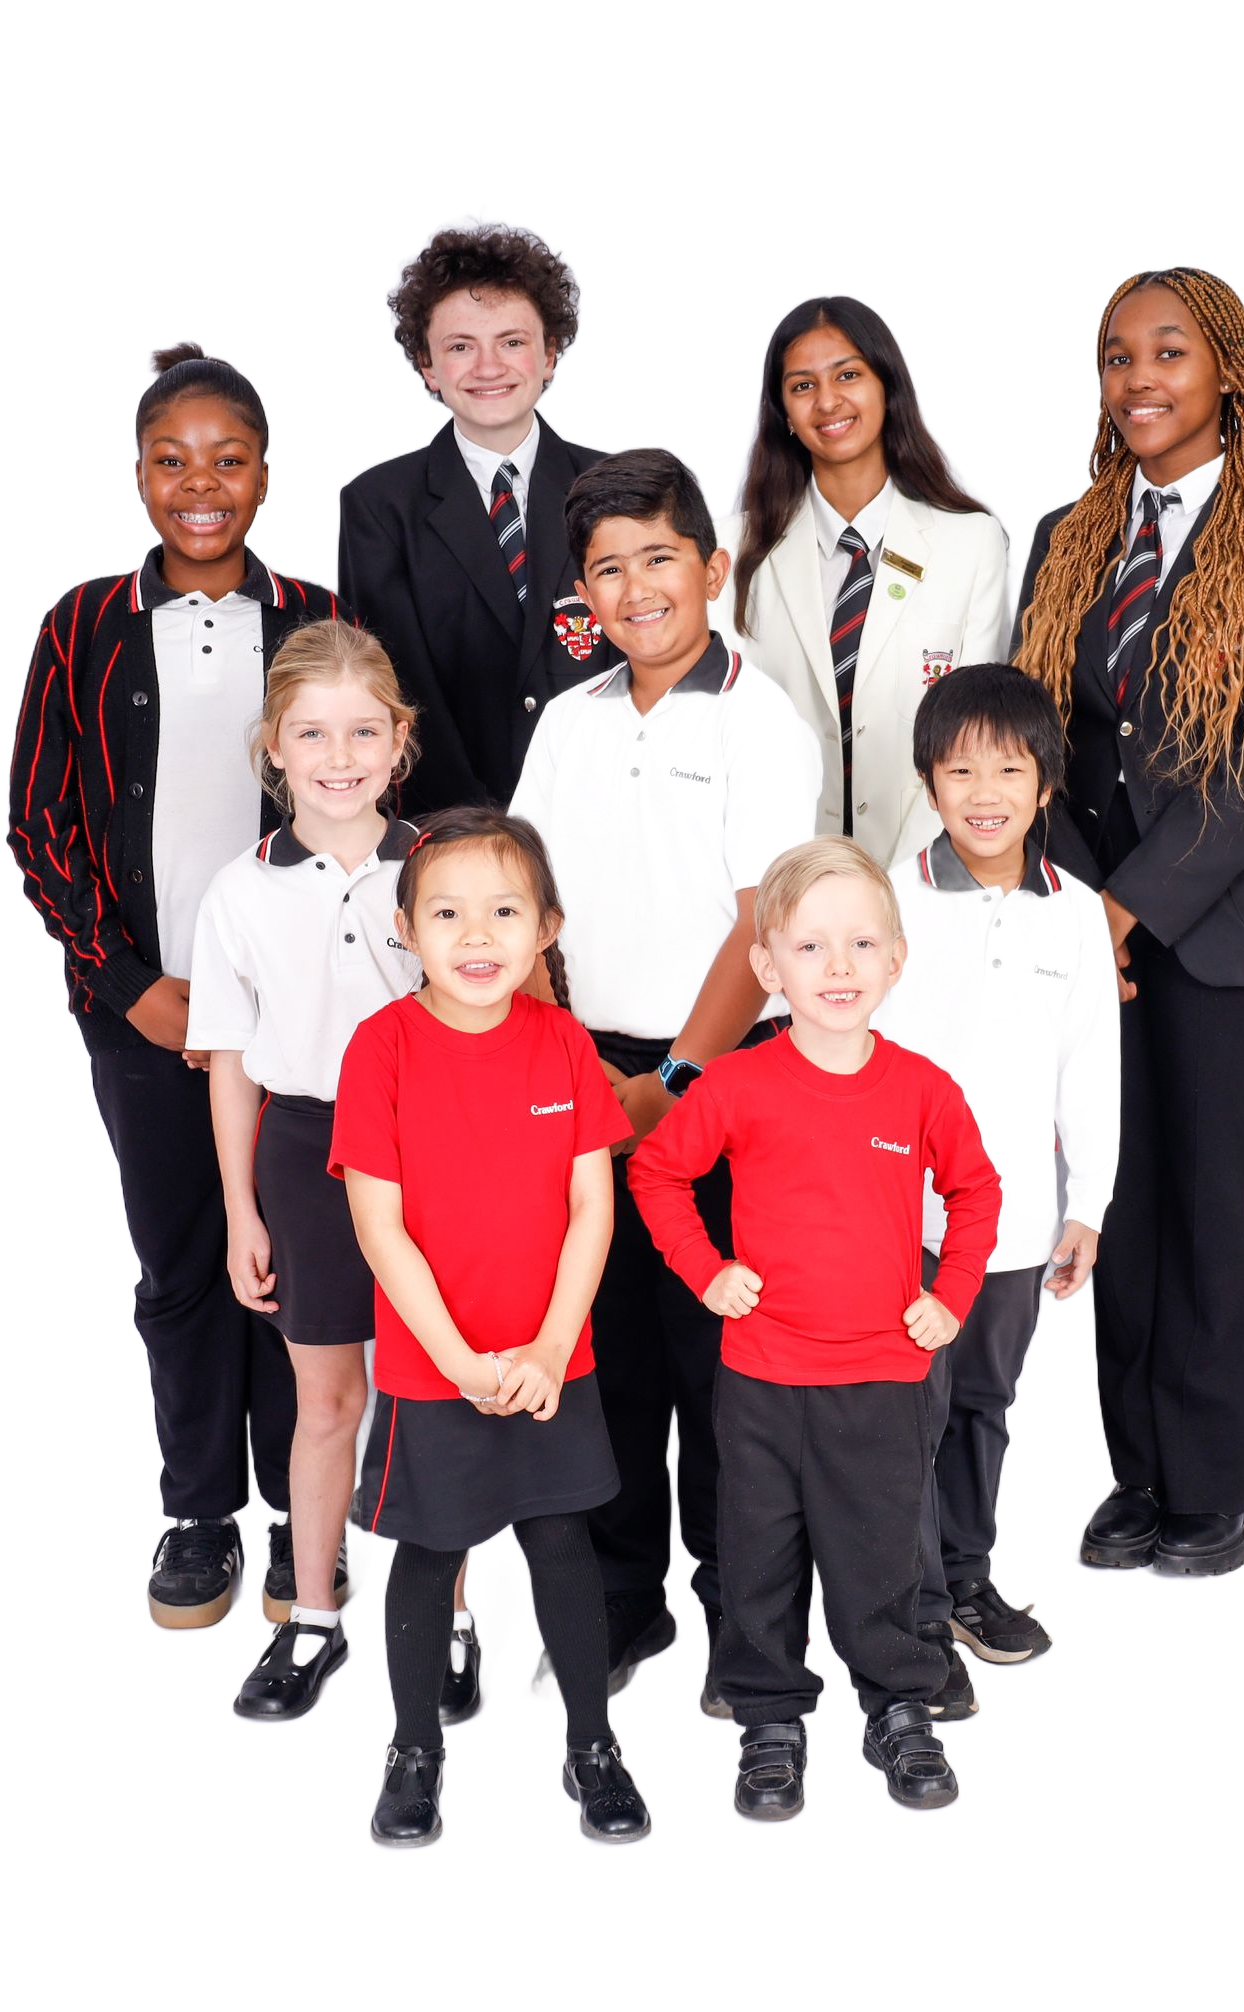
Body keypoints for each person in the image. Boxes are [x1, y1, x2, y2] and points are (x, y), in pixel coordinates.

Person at [1011, 264, 1244, 1581]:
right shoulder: (1068, 533)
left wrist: (1123, 911)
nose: (1139, 378)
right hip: (1094, 919)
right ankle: (1139, 1474)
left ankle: (1216, 1490)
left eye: (1168, 351)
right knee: (1120, 1194)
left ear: (1225, 369)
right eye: (1117, 356)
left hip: (1236, 936)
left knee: (1219, 1203)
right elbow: (1036, 736)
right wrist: (1076, 904)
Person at [4, 337, 345, 1632]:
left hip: (298, 1011)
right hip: (143, 1014)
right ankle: (199, 1510)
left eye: (229, 459)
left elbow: (371, 800)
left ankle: (299, 1504)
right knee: (182, 1261)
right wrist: (132, 983)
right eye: (171, 461)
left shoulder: (320, 614)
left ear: (266, 472)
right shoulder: (81, 622)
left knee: (294, 1258)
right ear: (139, 472)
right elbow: (38, 825)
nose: (201, 485)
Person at [510, 448, 820, 1717]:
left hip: (724, 1073)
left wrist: (675, 1079)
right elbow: (524, 910)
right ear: (582, 592)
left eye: (658, 559)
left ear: (711, 565)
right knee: (609, 1347)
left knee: (724, 1362)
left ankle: (750, 1621)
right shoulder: (568, 721)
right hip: (584, 1066)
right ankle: (626, 1594)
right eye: (607, 569)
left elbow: (764, 923)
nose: (636, 588)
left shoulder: (757, 717)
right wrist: (581, 1068)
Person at [629, 837, 1001, 1825]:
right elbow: (656, 1171)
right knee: (759, 1556)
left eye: (861, 943)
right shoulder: (736, 1084)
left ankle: (900, 1706)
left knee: (881, 1555)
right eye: (810, 946)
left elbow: (976, 1191)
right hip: (761, 1378)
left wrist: (953, 1293)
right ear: (767, 965)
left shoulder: (922, 1088)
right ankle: (768, 1719)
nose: (838, 966)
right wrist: (707, 1270)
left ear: (895, 958)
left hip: (884, 1377)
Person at [331, 808, 655, 1853]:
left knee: (562, 1544)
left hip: (553, 1359)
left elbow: (594, 1206)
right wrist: (460, 1361)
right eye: (448, 914)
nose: (477, 935)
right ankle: (414, 1750)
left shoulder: (563, 1043)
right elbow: (379, 1225)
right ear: (405, 929)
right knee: (428, 1556)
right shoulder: (381, 1048)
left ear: (547, 927)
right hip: (436, 1366)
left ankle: (593, 1745)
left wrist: (552, 1347)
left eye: (505, 912)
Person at [188, 621, 432, 1723]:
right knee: (328, 1398)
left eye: (365, 732)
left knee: (436, 1397)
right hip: (305, 1154)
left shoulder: (439, 869)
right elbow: (231, 1064)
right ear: (274, 746)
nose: (341, 757)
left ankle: (454, 1618)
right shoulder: (240, 892)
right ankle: (316, 1618)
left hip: (432, 1154)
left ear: (400, 740)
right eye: (314, 733)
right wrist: (242, 1209)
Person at [873, 664, 1117, 1712]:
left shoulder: (1076, 916)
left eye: (1009, 769)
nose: (984, 792)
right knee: (907, 1411)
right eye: (960, 769)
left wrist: (1086, 1205)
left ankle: (969, 1578)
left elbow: (1090, 1068)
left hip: (1018, 1214)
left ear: (1046, 783)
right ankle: (912, 1607)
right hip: (905, 1215)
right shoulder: (889, 897)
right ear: (929, 781)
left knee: (983, 1403)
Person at [713, 293, 1013, 868]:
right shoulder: (732, 550)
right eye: (803, 386)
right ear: (783, 412)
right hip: (774, 867)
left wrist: (908, 881)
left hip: (925, 862)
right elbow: (722, 726)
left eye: (847, 375)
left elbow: (971, 737)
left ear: (887, 387)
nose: (828, 401)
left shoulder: (970, 543)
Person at [337, 204, 611, 816]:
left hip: (606, 808)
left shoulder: (615, 487)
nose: (489, 367)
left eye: (512, 342)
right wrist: (473, 827)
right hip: (451, 823)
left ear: (550, 353)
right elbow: (391, 683)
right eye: (461, 346)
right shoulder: (377, 505)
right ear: (428, 366)